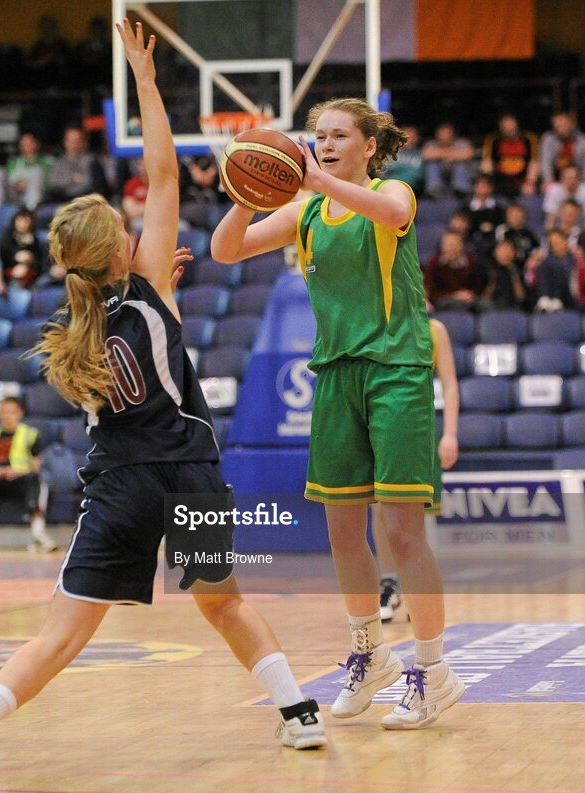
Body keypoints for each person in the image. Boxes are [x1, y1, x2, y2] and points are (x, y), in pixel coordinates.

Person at [0, 23, 325, 774]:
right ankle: (299, 712)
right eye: (125, 227)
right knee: (225, 604)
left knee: (60, 635)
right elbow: (165, 173)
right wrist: (146, 82)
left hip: (118, 488)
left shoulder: (65, 335)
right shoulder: (151, 291)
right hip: (191, 475)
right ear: (121, 251)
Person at [212, 97, 466, 729]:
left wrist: (313, 178)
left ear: (368, 147)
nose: (322, 144)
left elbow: (388, 211)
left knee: (402, 532)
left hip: (396, 372)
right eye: (316, 136)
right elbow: (224, 251)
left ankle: (433, 671)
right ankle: (369, 652)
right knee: (343, 530)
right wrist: (251, 188)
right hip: (335, 376)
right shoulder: (305, 212)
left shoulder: (393, 196)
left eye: (336, 136)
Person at [371, 317, 459, 622]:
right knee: (380, 505)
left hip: (418, 426)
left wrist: (450, 434)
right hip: (381, 423)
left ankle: (416, 586)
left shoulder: (433, 329)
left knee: (415, 513)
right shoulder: (373, 323)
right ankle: (389, 583)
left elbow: (449, 385)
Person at [0, 397, 58, 552]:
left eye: (11, 412)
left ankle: (39, 535)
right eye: (3, 411)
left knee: (36, 480)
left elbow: (36, 466)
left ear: (20, 413)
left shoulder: (30, 434)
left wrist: (16, 471)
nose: (7, 416)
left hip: (18, 478)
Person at [528, 227, 585, 312]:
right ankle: (545, 299)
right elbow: (534, 282)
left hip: (571, 295)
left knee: (557, 267)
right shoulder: (546, 262)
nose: (556, 245)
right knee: (543, 265)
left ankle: (554, 299)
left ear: (565, 241)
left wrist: (582, 264)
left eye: (558, 241)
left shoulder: (576, 259)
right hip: (551, 298)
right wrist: (532, 268)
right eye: (553, 243)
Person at [0, 132, 49, 211]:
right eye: (23, 144)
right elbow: (6, 180)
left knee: (37, 171)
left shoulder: (47, 161)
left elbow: (49, 182)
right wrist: (17, 185)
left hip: (35, 195)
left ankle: (32, 208)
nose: (26, 146)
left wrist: (27, 184)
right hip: (14, 194)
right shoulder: (14, 162)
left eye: (29, 143)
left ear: (37, 144)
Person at [480, 112, 539, 198]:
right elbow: (486, 163)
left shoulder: (529, 138)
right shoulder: (493, 139)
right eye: (505, 125)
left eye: (511, 123)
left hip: (522, 181)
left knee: (529, 188)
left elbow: (534, 162)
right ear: (500, 126)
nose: (509, 127)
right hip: (500, 181)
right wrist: (487, 183)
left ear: (516, 123)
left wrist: (529, 182)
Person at [424, 230, 484, 311]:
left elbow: (478, 285)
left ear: (461, 245)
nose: (451, 248)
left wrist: (469, 294)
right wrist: (454, 295)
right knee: (457, 304)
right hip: (443, 300)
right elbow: (432, 292)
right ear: (442, 246)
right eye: (448, 245)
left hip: (469, 300)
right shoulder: (434, 264)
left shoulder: (471, 261)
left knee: (484, 304)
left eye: (455, 244)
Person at [46, 126, 109, 201]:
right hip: (62, 199)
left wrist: (65, 181)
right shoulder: (59, 162)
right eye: (70, 140)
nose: (74, 144)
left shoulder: (92, 161)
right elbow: (53, 183)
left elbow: (88, 184)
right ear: (65, 142)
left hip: (85, 200)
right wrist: (72, 178)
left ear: (84, 142)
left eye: (77, 140)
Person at [539, 111, 585, 188]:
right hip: (556, 180)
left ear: (571, 124)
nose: (562, 129)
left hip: (580, 181)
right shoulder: (548, 139)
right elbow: (545, 162)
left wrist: (580, 181)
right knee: (548, 188)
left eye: (564, 125)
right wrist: (548, 179)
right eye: (558, 126)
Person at [423, 121, 474, 198]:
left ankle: (461, 190)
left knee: (460, 164)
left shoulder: (462, 143)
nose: (445, 136)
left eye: (448, 133)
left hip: (455, 169)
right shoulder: (431, 143)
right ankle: (434, 190)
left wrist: (441, 154)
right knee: (432, 165)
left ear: (453, 134)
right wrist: (452, 155)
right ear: (438, 134)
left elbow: (468, 154)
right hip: (440, 169)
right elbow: (426, 155)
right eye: (442, 133)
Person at [543, 165, 585, 234]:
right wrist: (549, 237)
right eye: (569, 178)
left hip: (581, 226)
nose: (572, 181)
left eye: (574, 178)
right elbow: (550, 219)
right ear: (562, 179)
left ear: (579, 179)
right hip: (560, 226)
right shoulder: (554, 190)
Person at [0, 209, 44, 289]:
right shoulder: (6, 237)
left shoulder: (35, 240)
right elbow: (1, 258)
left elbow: (40, 261)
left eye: (26, 221)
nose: (23, 224)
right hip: (9, 273)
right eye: (20, 220)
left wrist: (29, 262)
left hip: (30, 274)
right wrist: (15, 257)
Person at [481, 238, 527, 310]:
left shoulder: (519, 271)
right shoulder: (488, 270)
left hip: (514, 307)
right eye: (502, 249)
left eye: (508, 249)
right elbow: (484, 297)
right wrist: (493, 278)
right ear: (495, 252)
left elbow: (521, 297)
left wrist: (513, 272)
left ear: (514, 253)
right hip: (492, 307)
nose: (505, 253)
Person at [495, 202, 541, 270]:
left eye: (518, 214)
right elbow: (500, 251)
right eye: (513, 214)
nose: (516, 217)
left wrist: (534, 258)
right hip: (508, 267)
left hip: (526, 267)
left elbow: (538, 249)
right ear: (507, 216)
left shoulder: (529, 233)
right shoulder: (502, 230)